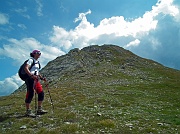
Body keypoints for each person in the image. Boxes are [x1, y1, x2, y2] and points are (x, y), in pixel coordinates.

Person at [24, 50, 47, 116]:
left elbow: (37, 71)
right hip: (30, 79)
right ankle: (28, 111)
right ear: (34, 54)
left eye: (40, 53)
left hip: (36, 79)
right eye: (38, 53)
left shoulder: (37, 62)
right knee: (30, 93)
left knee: (41, 93)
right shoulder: (31, 60)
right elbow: (26, 68)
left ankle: (39, 109)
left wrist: (42, 78)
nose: (39, 54)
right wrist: (31, 75)